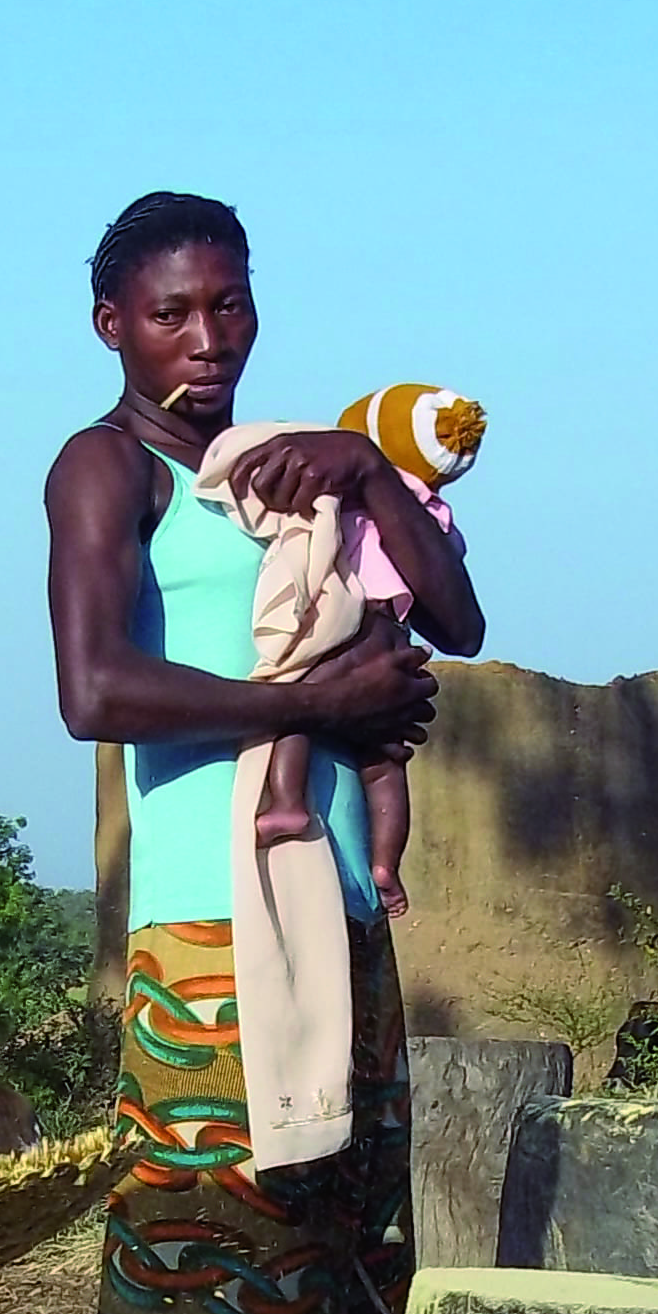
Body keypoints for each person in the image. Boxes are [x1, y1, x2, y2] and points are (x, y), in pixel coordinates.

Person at [44, 197, 485, 1314]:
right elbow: (93, 689)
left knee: (345, 1221)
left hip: (338, 907)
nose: (205, 337)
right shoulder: (106, 469)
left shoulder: (297, 469)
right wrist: (312, 700)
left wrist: (366, 467)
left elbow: (460, 620)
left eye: (227, 304)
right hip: (207, 924)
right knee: (206, 1222)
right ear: (112, 325)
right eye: (169, 312)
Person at [249, 381, 485, 920]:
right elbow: (447, 575)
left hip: (355, 632)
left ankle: (287, 802)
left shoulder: (359, 497)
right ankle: (385, 864)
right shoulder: (430, 515)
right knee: (384, 761)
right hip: (395, 636)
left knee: (298, 701)